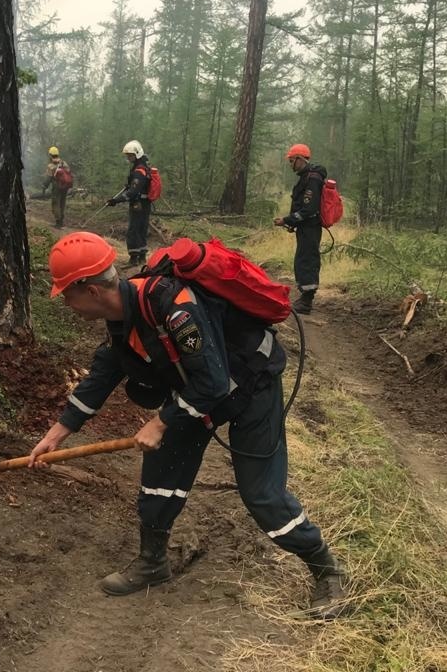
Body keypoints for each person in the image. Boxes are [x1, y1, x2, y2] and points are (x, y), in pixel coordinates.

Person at [28, 231, 350, 619]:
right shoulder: (122, 320)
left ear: (92, 290)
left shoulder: (174, 307)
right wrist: (55, 435)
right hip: (199, 391)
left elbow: (213, 383)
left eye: (67, 293)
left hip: (249, 383)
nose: (65, 303)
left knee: (261, 494)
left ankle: (327, 570)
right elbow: (102, 376)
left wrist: (161, 421)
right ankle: (152, 562)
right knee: (160, 475)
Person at [273, 143, 326, 314]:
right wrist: (292, 223)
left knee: (307, 261)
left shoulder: (312, 179)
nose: (290, 164)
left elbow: (309, 209)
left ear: (299, 159)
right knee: (302, 260)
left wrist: (287, 220)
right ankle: (304, 298)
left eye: (291, 161)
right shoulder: (306, 177)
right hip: (305, 227)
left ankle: (306, 301)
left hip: (311, 227)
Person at [107, 140, 152, 266]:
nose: (128, 157)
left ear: (137, 154)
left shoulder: (139, 171)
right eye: (127, 155)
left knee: (133, 230)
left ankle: (133, 259)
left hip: (138, 204)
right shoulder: (144, 167)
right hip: (145, 203)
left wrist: (116, 200)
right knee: (142, 229)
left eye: (130, 155)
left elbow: (132, 192)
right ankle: (142, 257)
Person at [41, 146, 72, 228]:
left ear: (50, 155)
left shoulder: (51, 166)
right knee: (62, 203)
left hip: (56, 187)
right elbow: (69, 173)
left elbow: (48, 178)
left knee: (55, 203)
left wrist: (44, 186)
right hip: (65, 187)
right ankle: (61, 221)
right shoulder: (63, 163)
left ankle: (58, 223)